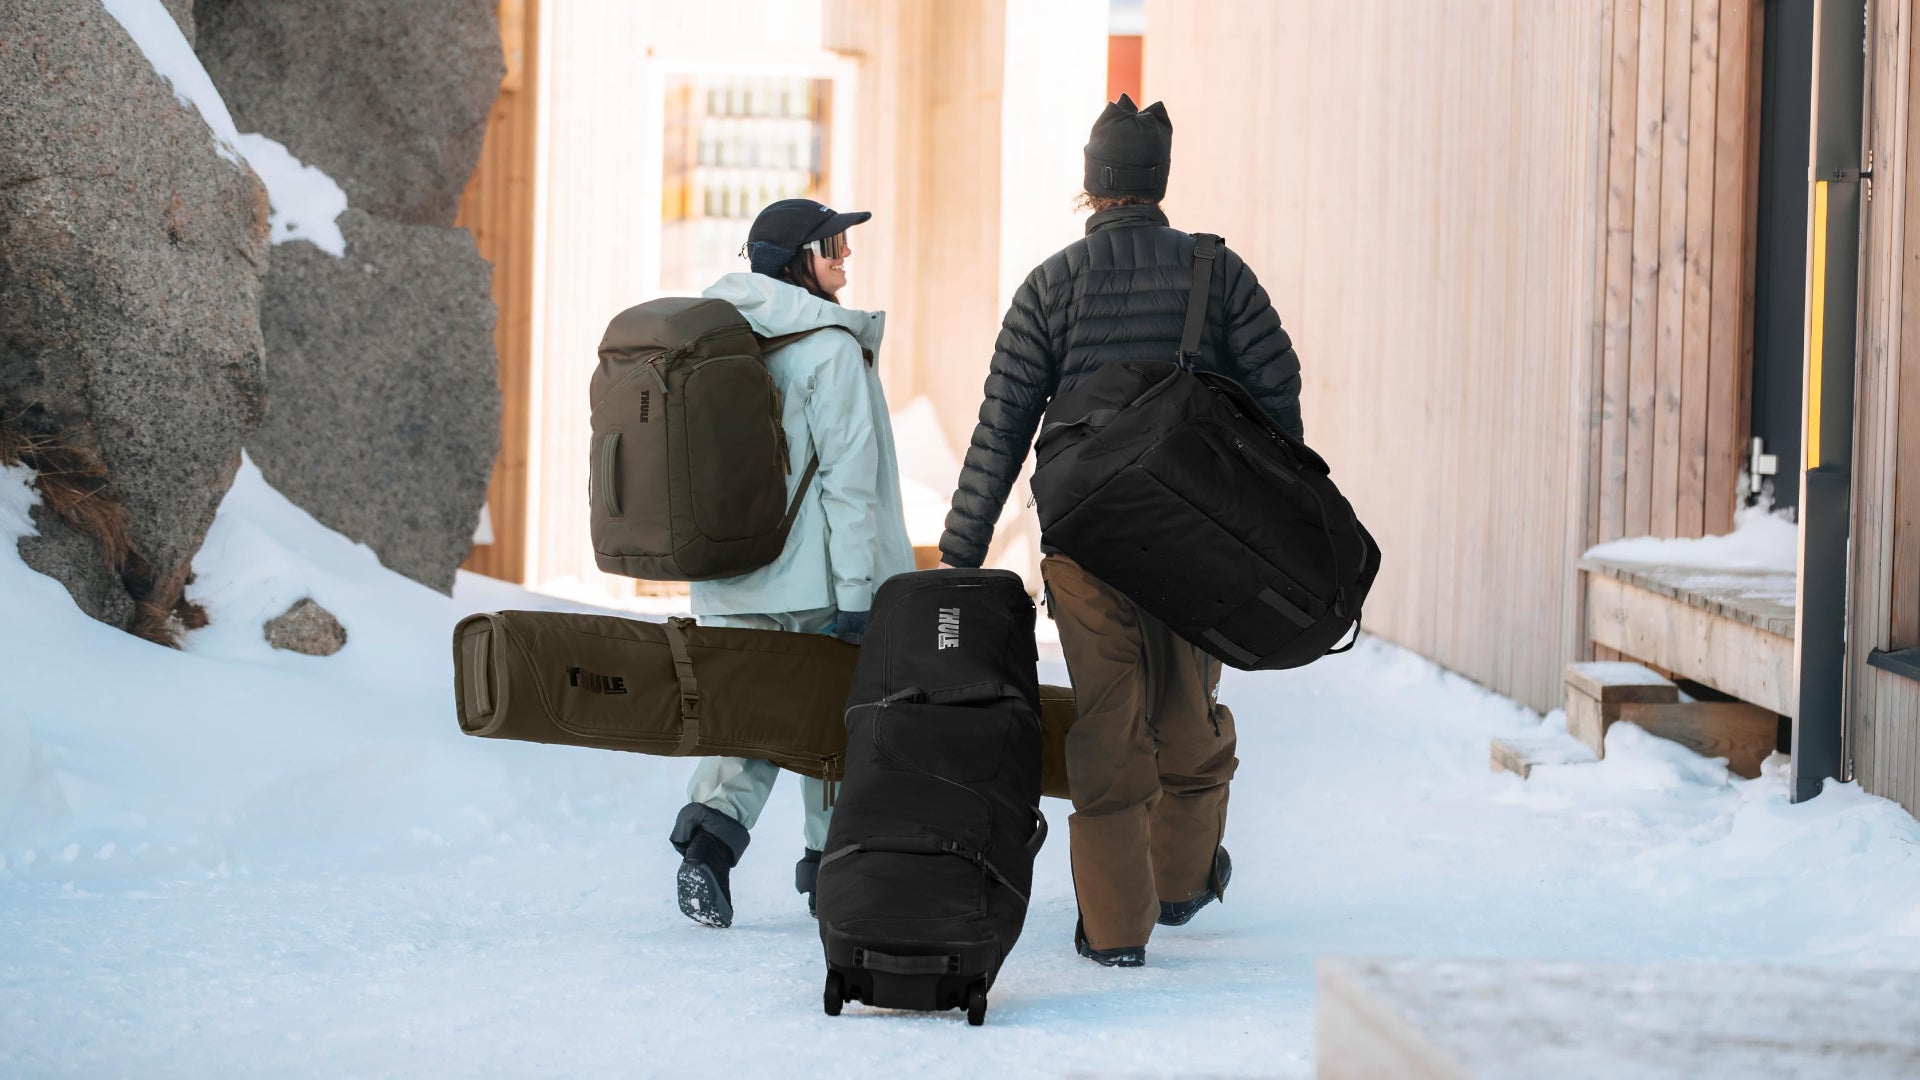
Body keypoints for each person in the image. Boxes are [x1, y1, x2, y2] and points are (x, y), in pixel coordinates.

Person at [936, 95, 1304, 966]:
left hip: (1085, 545)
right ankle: (1177, 883)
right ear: (1158, 184)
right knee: (1187, 710)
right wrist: (1260, 502)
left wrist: (959, 555)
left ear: (1092, 184)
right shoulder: (1221, 275)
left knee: (1108, 721)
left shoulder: (1051, 284)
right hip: (1198, 537)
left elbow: (1002, 426)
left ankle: (1113, 929)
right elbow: (1279, 389)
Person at [670, 198, 916, 929]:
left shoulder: (726, 339)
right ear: (793, 261)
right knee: (834, 729)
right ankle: (832, 874)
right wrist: (859, 594)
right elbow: (849, 484)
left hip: (736, 579)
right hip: (818, 584)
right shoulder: (831, 348)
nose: (845, 255)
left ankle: (706, 851)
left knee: (747, 721)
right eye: (830, 243)